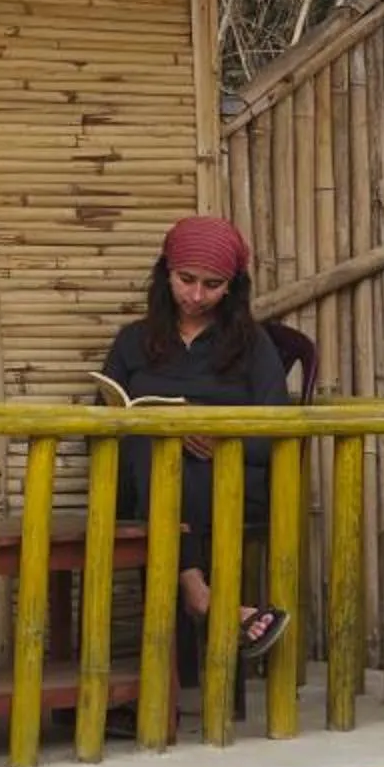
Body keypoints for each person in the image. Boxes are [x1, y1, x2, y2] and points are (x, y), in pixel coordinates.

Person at [100, 215, 291, 660]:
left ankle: (196, 591)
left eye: (213, 284)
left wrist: (222, 438)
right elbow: (103, 421)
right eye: (186, 280)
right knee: (148, 442)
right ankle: (203, 596)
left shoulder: (251, 344)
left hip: (226, 483)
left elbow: (279, 430)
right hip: (140, 484)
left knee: (160, 459)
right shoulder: (133, 341)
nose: (197, 296)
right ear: (165, 272)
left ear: (233, 287)